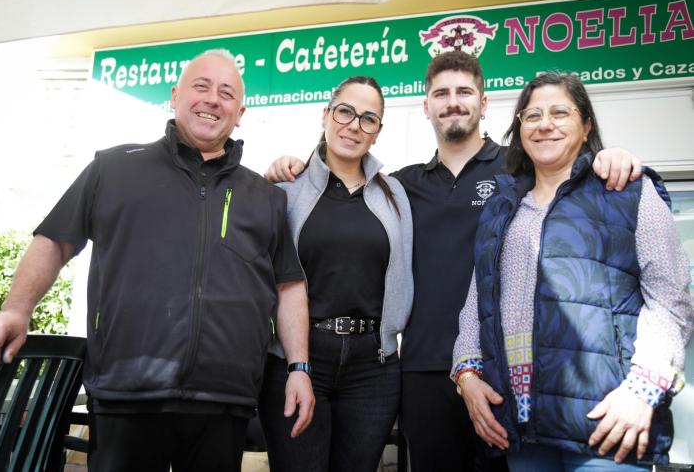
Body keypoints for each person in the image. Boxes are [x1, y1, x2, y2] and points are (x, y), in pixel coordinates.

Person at [264, 51, 644, 471]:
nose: (453, 102)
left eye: (464, 92)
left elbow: (570, 171)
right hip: (422, 370)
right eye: (441, 94)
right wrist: (289, 168)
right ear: (426, 106)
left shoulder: (520, 170)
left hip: (504, 369)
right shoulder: (400, 188)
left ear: (484, 102)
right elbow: (342, 198)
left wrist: (610, 155)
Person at [0, 49, 315, 472]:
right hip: (124, 394)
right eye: (201, 86)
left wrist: (299, 367)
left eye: (226, 94)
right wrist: (16, 311)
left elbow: (287, 285)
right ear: (175, 96)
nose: (212, 99)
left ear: (240, 114)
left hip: (225, 402)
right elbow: (55, 241)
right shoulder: (113, 169)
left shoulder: (266, 197)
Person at [452, 71, 693, 471]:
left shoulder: (629, 192)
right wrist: (468, 377)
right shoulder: (502, 208)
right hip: (520, 425)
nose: (545, 124)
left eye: (560, 113)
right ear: (519, 129)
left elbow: (671, 299)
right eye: (532, 116)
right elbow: (477, 302)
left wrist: (643, 390)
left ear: (586, 126)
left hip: (609, 422)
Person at [258, 75, 413, 472]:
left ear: (377, 132)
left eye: (368, 119)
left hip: (373, 366)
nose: (354, 126)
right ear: (325, 114)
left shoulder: (395, 195)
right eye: (345, 112)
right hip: (298, 357)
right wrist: (269, 173)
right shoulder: (285, 189)